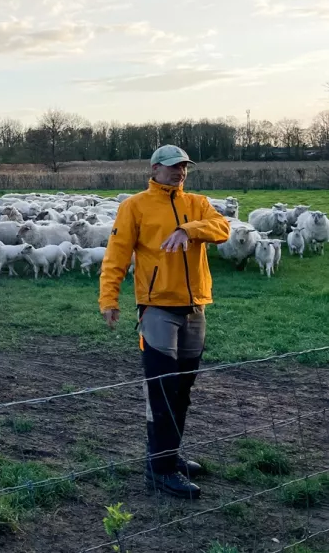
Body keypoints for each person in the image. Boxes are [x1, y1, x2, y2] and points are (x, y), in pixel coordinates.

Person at [99, 145, 231, 499]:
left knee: (182, 390)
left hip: (195, 308)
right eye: (173, 166)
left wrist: (189, 229)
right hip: (157, 309)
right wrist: (109, 299)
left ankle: (168, 455)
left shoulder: (198, 204)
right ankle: (160, 471)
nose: (179, 172)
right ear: (154, 169)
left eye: (184, 166)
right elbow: (116, 255)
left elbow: (223, 228)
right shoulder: (135, 206)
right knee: (162, 389)